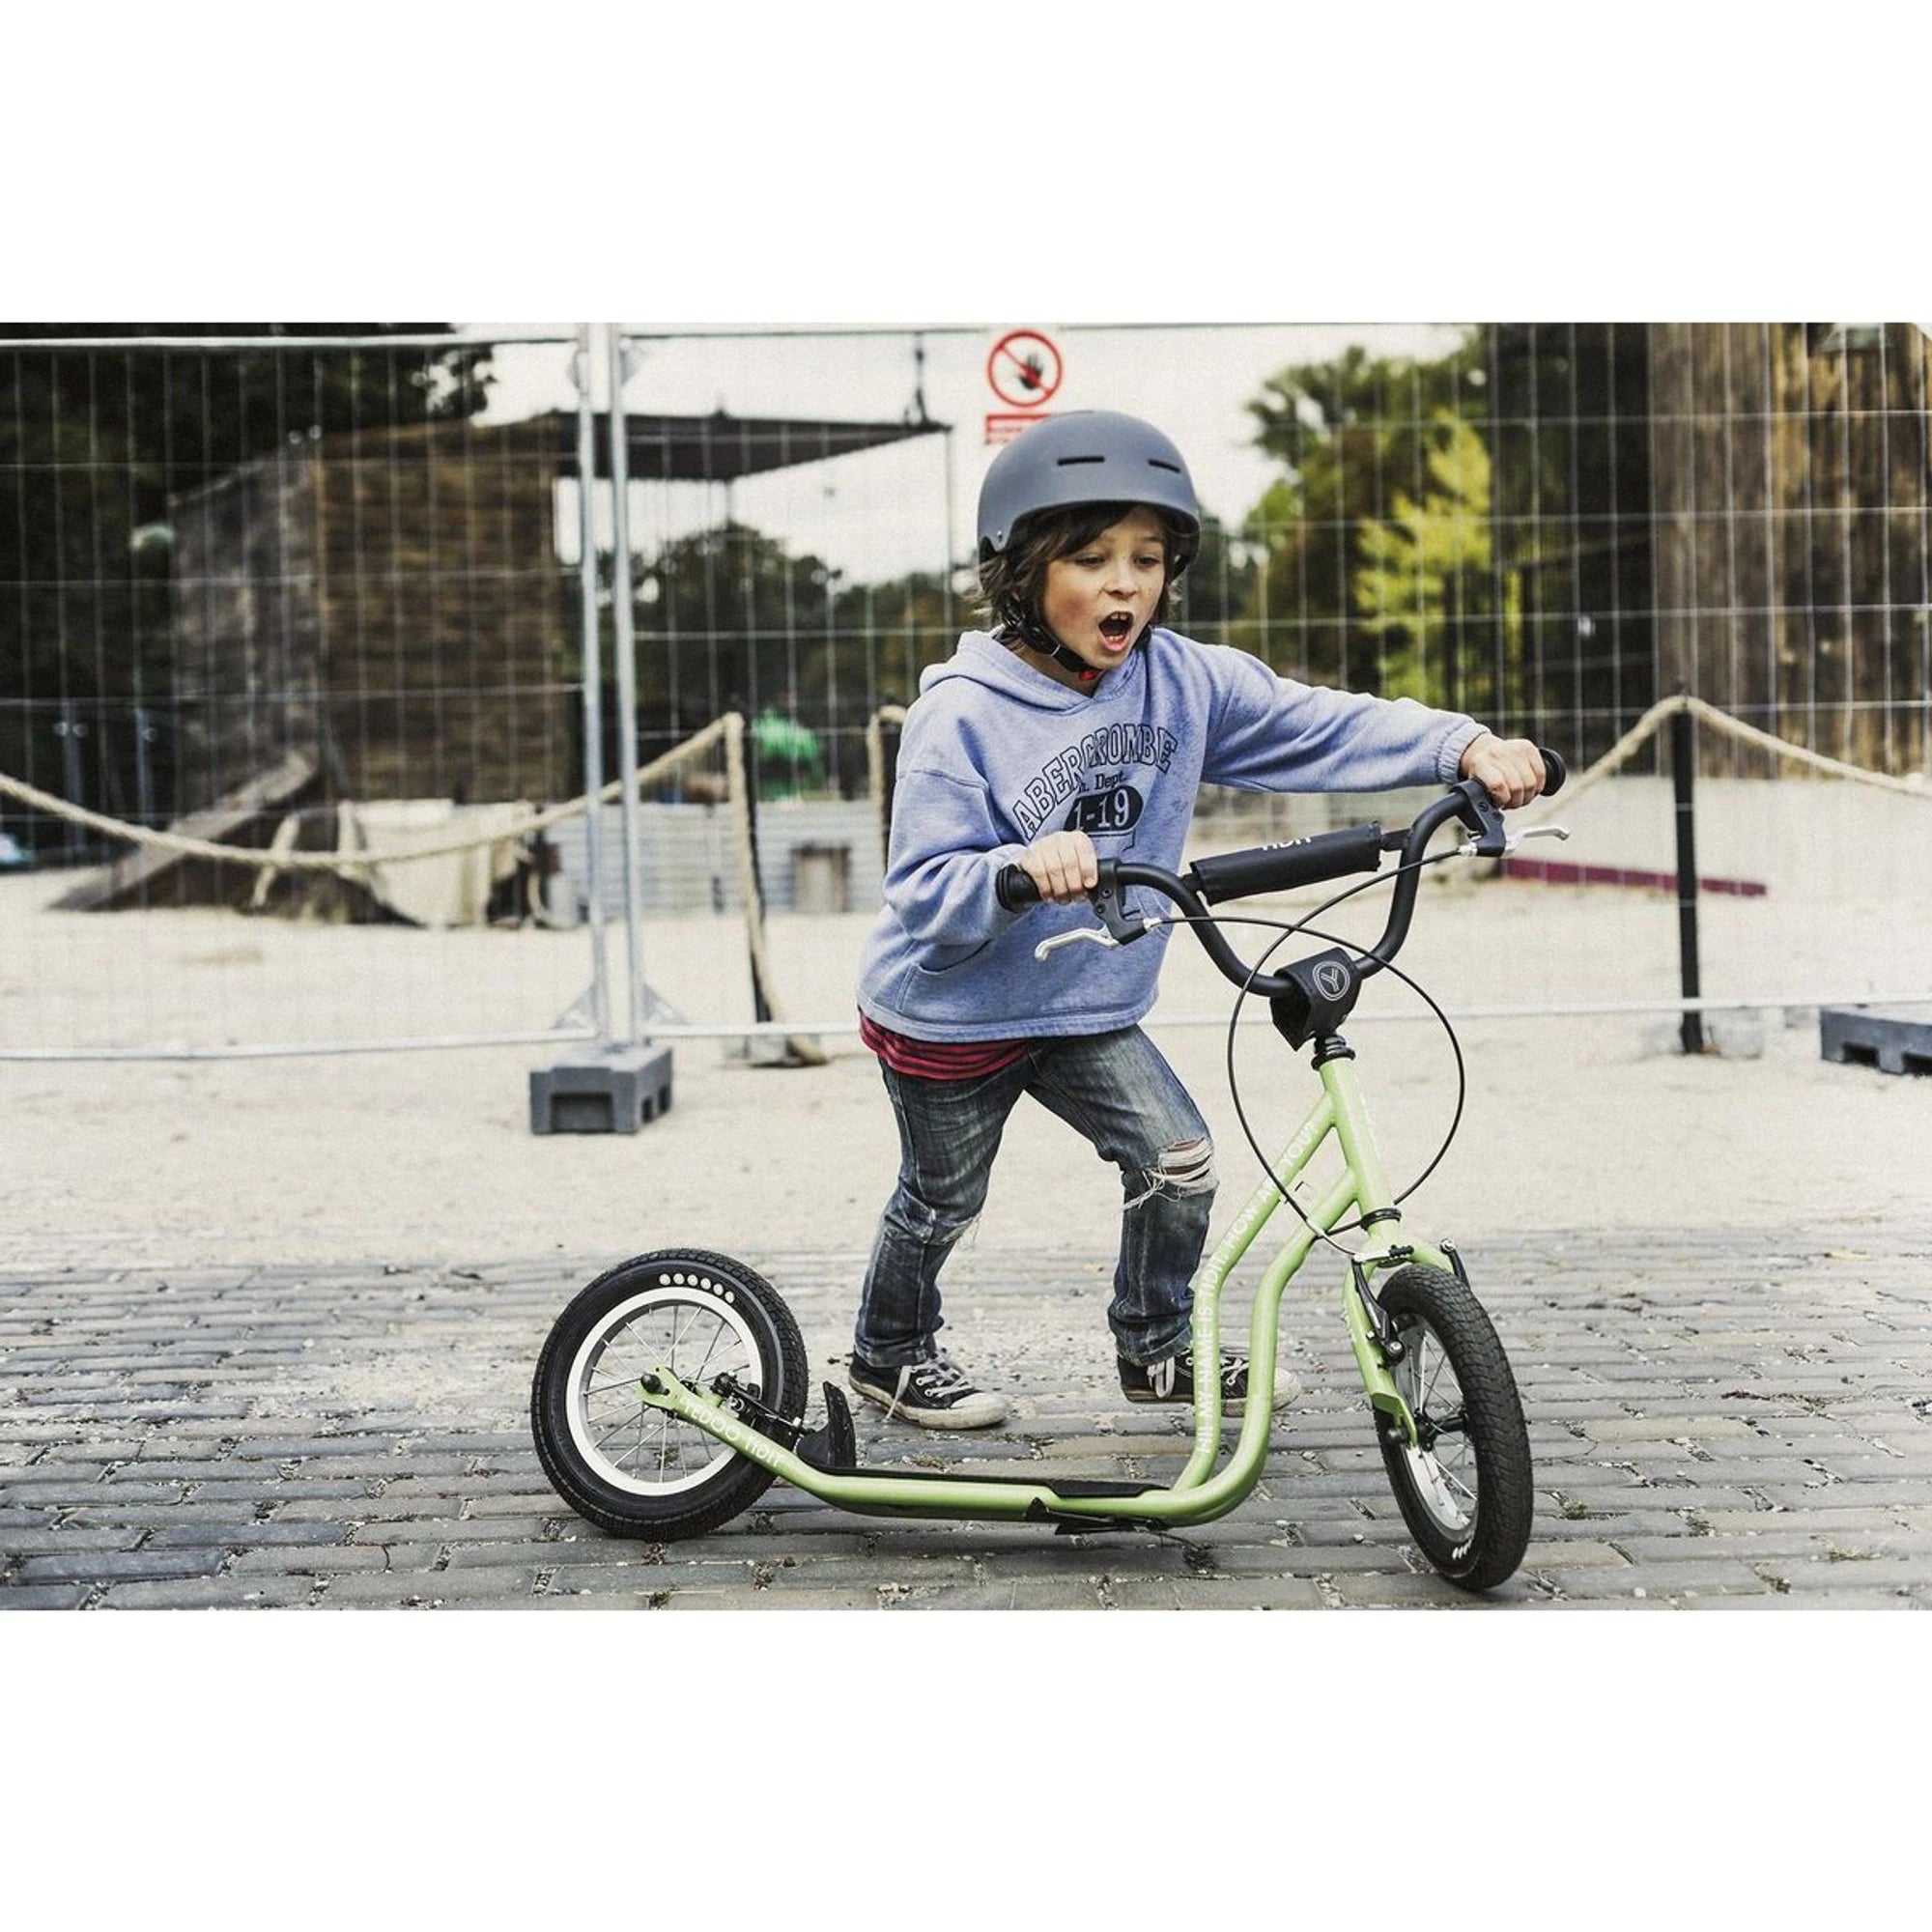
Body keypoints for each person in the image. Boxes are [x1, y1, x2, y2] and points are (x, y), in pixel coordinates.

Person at [849, 411, 1546, 1429]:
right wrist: (1012, 870)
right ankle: (889, 1351)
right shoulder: (961, 715)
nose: (1124, 585)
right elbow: (922, 890)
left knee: (1178, 1161)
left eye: (1146, 559)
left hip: (1085, 1002)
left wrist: (1461, 746)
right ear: (1021, 573)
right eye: (1090, 559)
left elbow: (1315, 723)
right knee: (942, 1198)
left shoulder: (1179, 681)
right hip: (954, 1014)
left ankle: (1156, 1348)